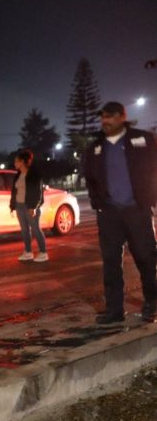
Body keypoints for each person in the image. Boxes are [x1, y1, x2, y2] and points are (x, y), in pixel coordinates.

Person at [83, 101, 157, 324]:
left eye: (111, 116)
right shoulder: (95, 146)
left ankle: (151, 302)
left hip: (137, 210)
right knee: (111, 262)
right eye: (103, 117)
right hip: (109, 214)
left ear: (122, 116)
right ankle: (114, 310)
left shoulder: (143, 139)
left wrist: (149, 198)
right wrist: (99, 203)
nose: (106, 120)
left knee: (146, 258)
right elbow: (90, 177)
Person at [9, 150, 48, 262]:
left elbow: (38, 193)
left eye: (16, 161)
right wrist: (12, 205)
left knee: (36, 229)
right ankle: (28, 252)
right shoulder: (18, 175)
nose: (14, 163)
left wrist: (34, 207)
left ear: (22, 162)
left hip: (30, 206)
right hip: (19, 205)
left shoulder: (34, 174)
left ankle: (43, 252)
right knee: (24, 230)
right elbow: (14, 191)